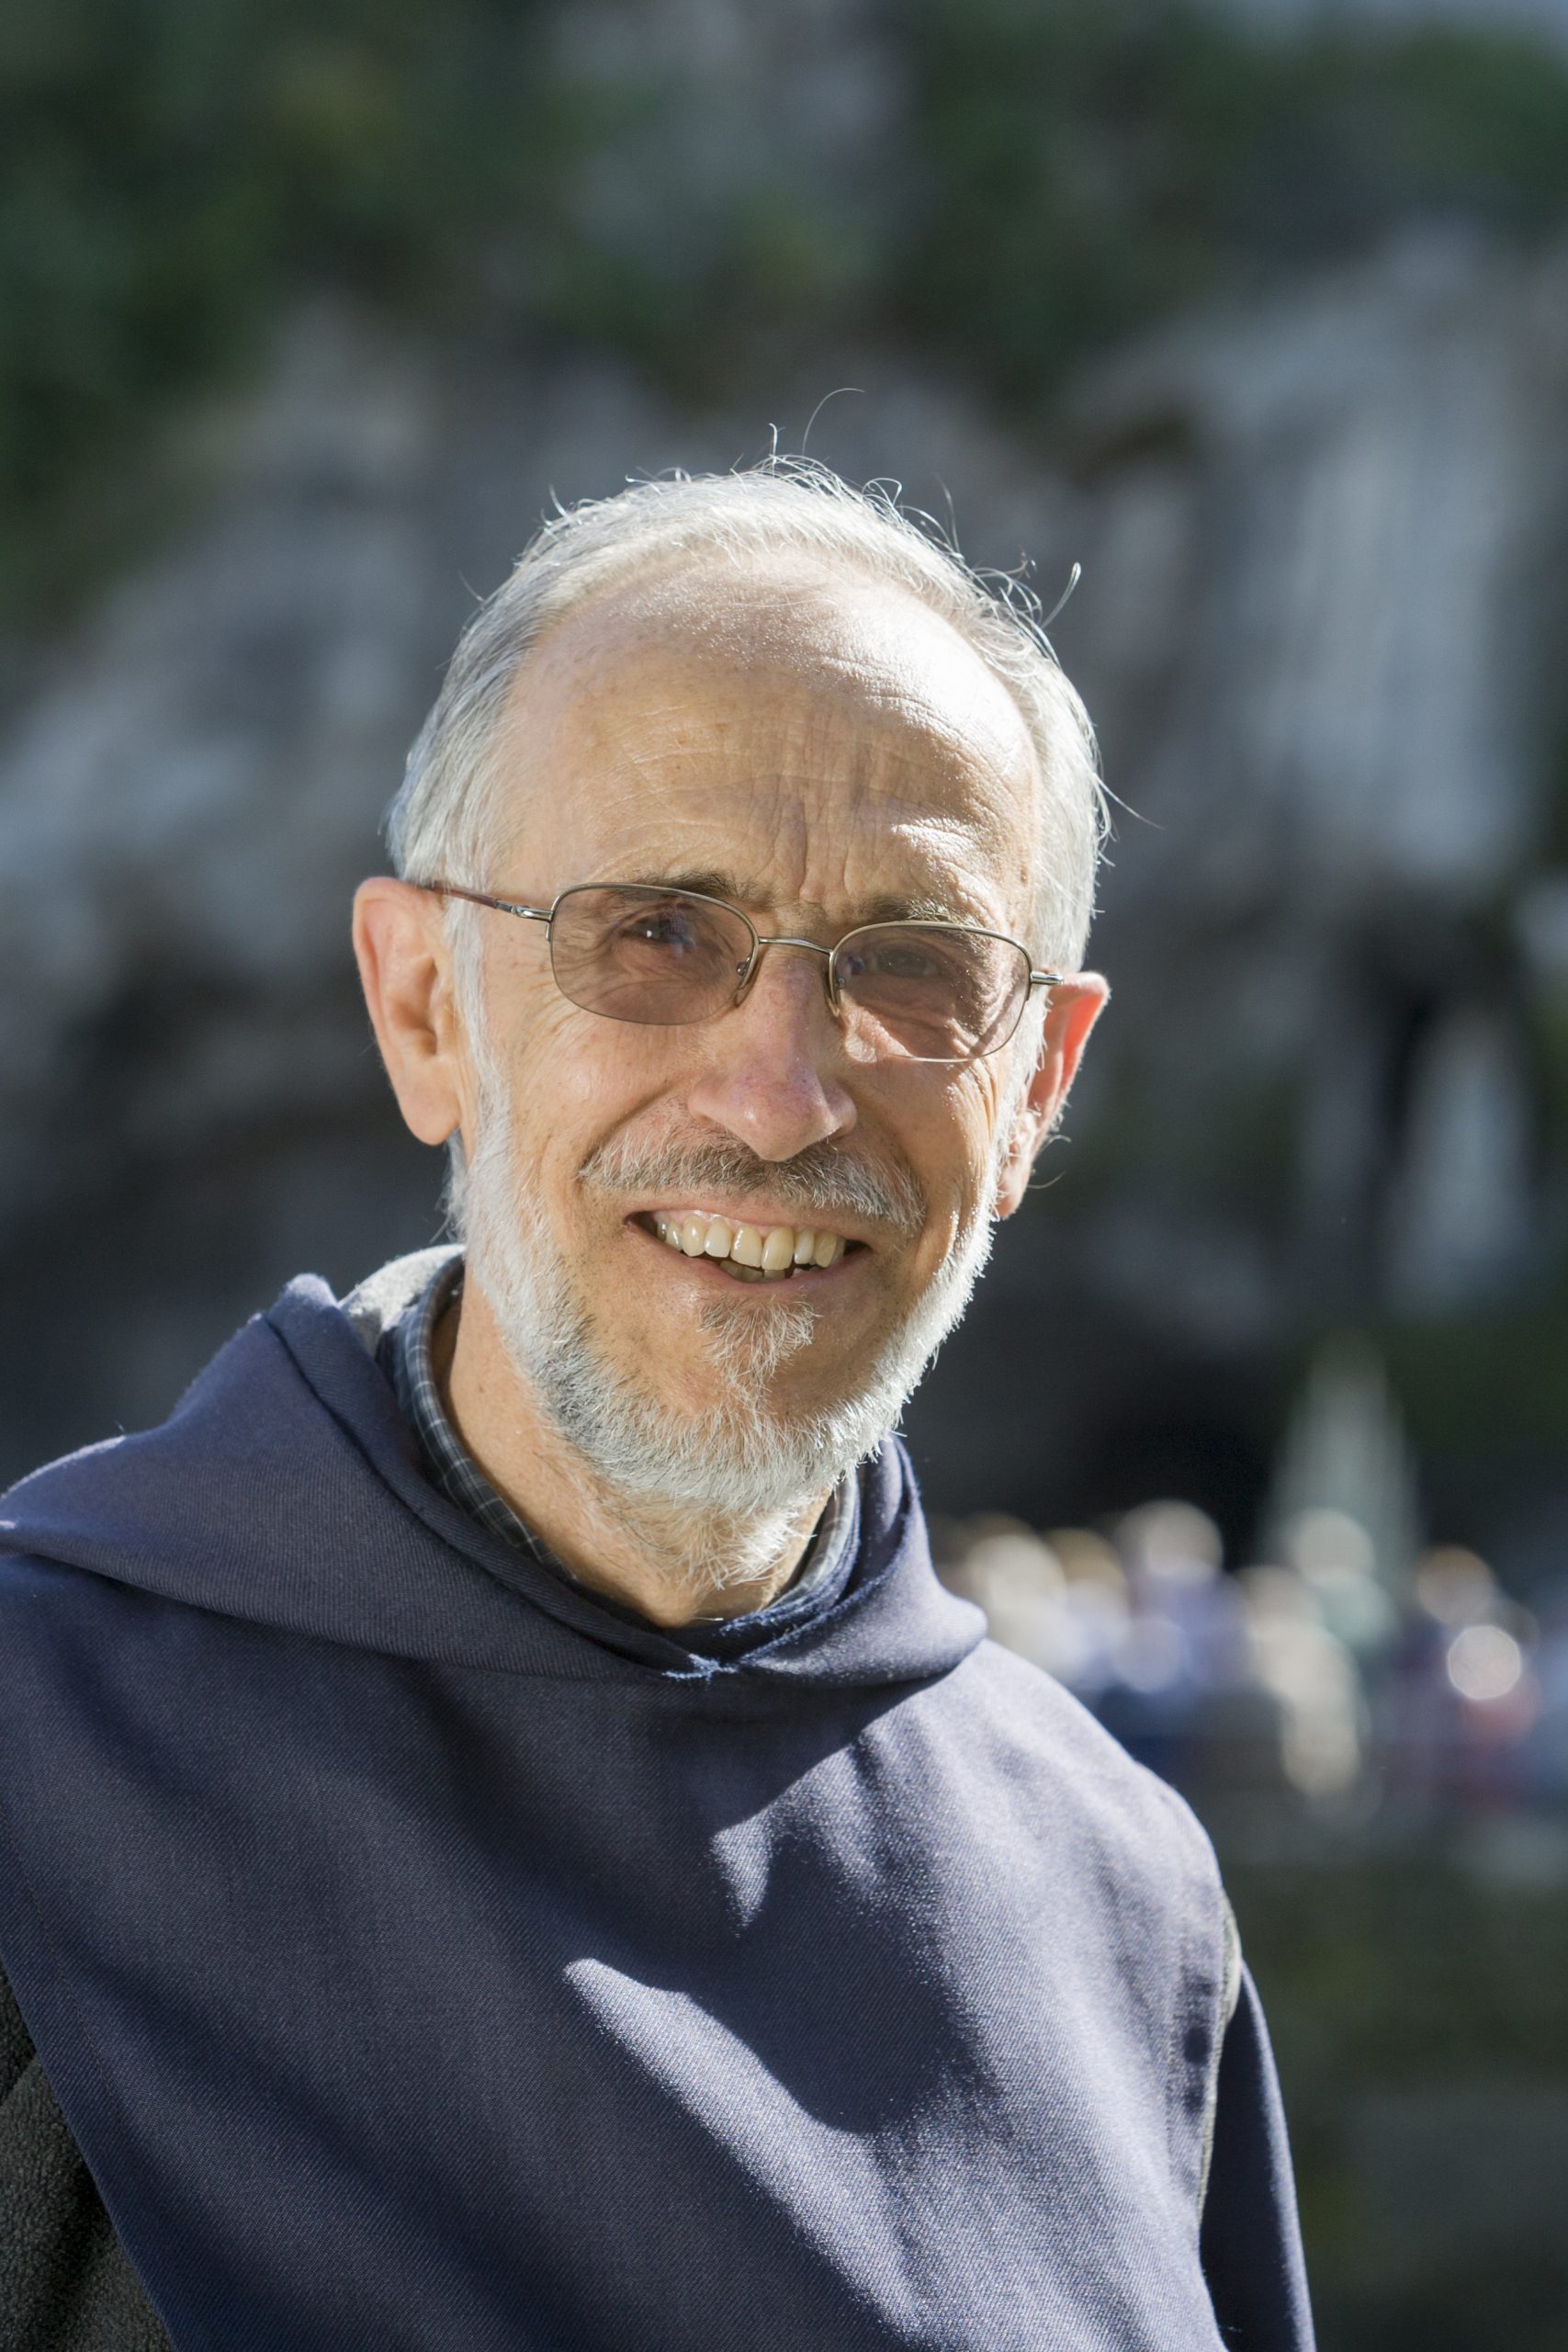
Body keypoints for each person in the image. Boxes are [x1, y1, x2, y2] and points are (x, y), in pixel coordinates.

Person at [0, 461, 1314, 2351]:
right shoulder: (42, 1757)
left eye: (915, 965)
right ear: (421, 1005)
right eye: (653, 934)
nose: (778, 1096)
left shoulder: (1119, 1895)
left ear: (1032, 1082)